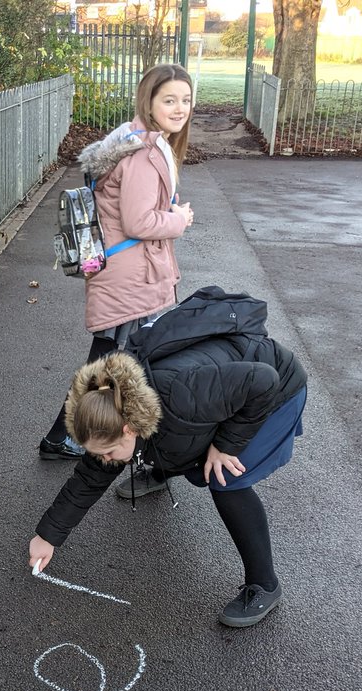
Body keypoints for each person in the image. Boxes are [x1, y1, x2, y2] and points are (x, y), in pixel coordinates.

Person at [29, 289, 307, 627]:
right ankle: (164, 472)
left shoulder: (179, 397)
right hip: (216, 394)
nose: (105, 460)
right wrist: (47, 536)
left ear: (128, 428)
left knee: (224, 477)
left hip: (274, 390)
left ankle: (264, 584)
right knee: (173, 439)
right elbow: (89, 478)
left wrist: (227, 446)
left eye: (108, 452)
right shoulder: (111, 413)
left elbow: (263, 382)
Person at [39, 63, 196, 507]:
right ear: (149, 101)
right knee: (130, 367)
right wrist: (179, 220)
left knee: (109, 361)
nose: (179, 108)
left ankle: (63, 437)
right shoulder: (143, 154)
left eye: (186, 100)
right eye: (169, 100)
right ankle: (137, 457)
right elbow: (139, 221)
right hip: (132, 275)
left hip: (120, 270)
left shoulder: (131, 138)